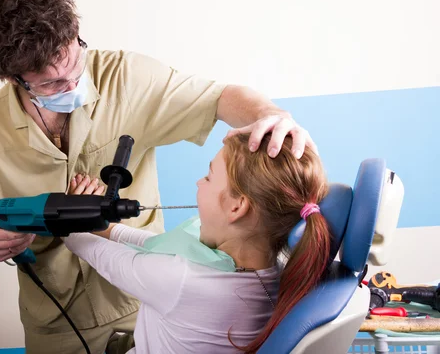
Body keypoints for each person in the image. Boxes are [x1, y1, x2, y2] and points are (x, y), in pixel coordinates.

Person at [0, 0, 318, 354]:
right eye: (52, 84)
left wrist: (272, 118)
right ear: (15, 79)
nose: (74, 84)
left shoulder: (127, 77)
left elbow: (218, 98)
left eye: (76, 64)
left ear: (76, 36)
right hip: (55, 317)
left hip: (143, 304)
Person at [63, 133, 331, 353]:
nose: (198, 182)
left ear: (237, 207)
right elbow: (156, 245)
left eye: (209, 176)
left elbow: (93, 251)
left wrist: (69, 212)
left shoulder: (181, 281)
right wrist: (109, 228)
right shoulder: (275, 266)